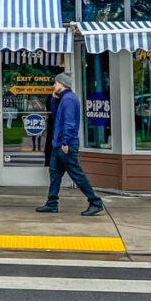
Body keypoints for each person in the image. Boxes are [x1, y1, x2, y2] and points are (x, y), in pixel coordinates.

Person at [37, 72, 104, 216]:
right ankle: (52, 203)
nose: (53, 85)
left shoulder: (68, 100)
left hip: (65, 144)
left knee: (76, 174)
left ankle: (95, 202)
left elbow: (69, 123)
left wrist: (65, 142)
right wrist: (54, 100)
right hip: (58, 144)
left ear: (61, 84)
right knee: (54, 174)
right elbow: (57, 116)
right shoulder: (64, 99)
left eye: (55, 83)